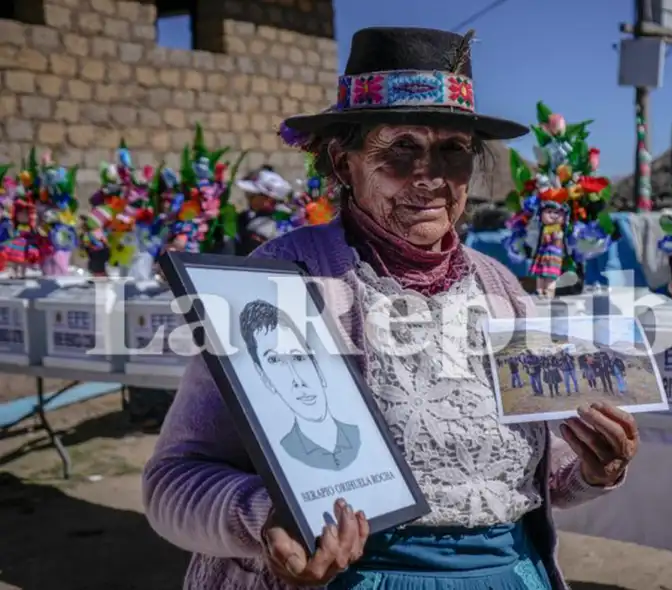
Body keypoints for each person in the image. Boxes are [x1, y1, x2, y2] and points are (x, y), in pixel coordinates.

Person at [142, 27, 639, 590]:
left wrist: (595, 470)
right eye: (401, 148)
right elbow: (171, 481)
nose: (430, 178)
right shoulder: (280, 281)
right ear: (343, 161)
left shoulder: (499, 287)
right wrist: (266, 519)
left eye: (453, 150)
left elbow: (526, 481)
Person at [239, 299, 360, 471]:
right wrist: (275, 497)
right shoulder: (285, 454)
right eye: (274, 360)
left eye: (298, 357)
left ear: (316, 365)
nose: (297, 380)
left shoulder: (361, 438)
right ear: (264, 377)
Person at [235, 166, 294, 256]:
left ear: (268, 200)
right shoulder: (244, 217)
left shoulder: (280, 223)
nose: (247, 196)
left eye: (253, 194)